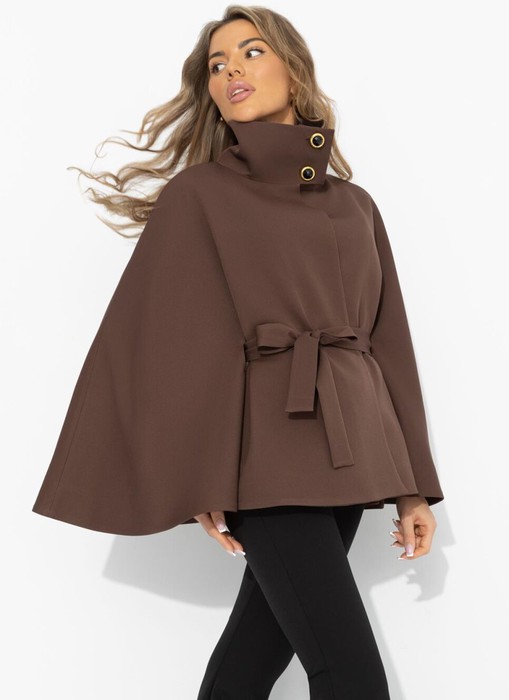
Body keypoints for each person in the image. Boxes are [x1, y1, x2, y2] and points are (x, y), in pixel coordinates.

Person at [32, 6, 445, 698]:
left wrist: (412, 486)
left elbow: (386, 343)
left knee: (251, 660)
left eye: (251, 52)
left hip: (354, 450)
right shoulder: (200, 196)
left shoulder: (355, 205)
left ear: (293, 69)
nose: (231, 72)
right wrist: (201, 475)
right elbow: (169, 344)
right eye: (217, 65)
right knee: (350, 673)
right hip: (269, 453)